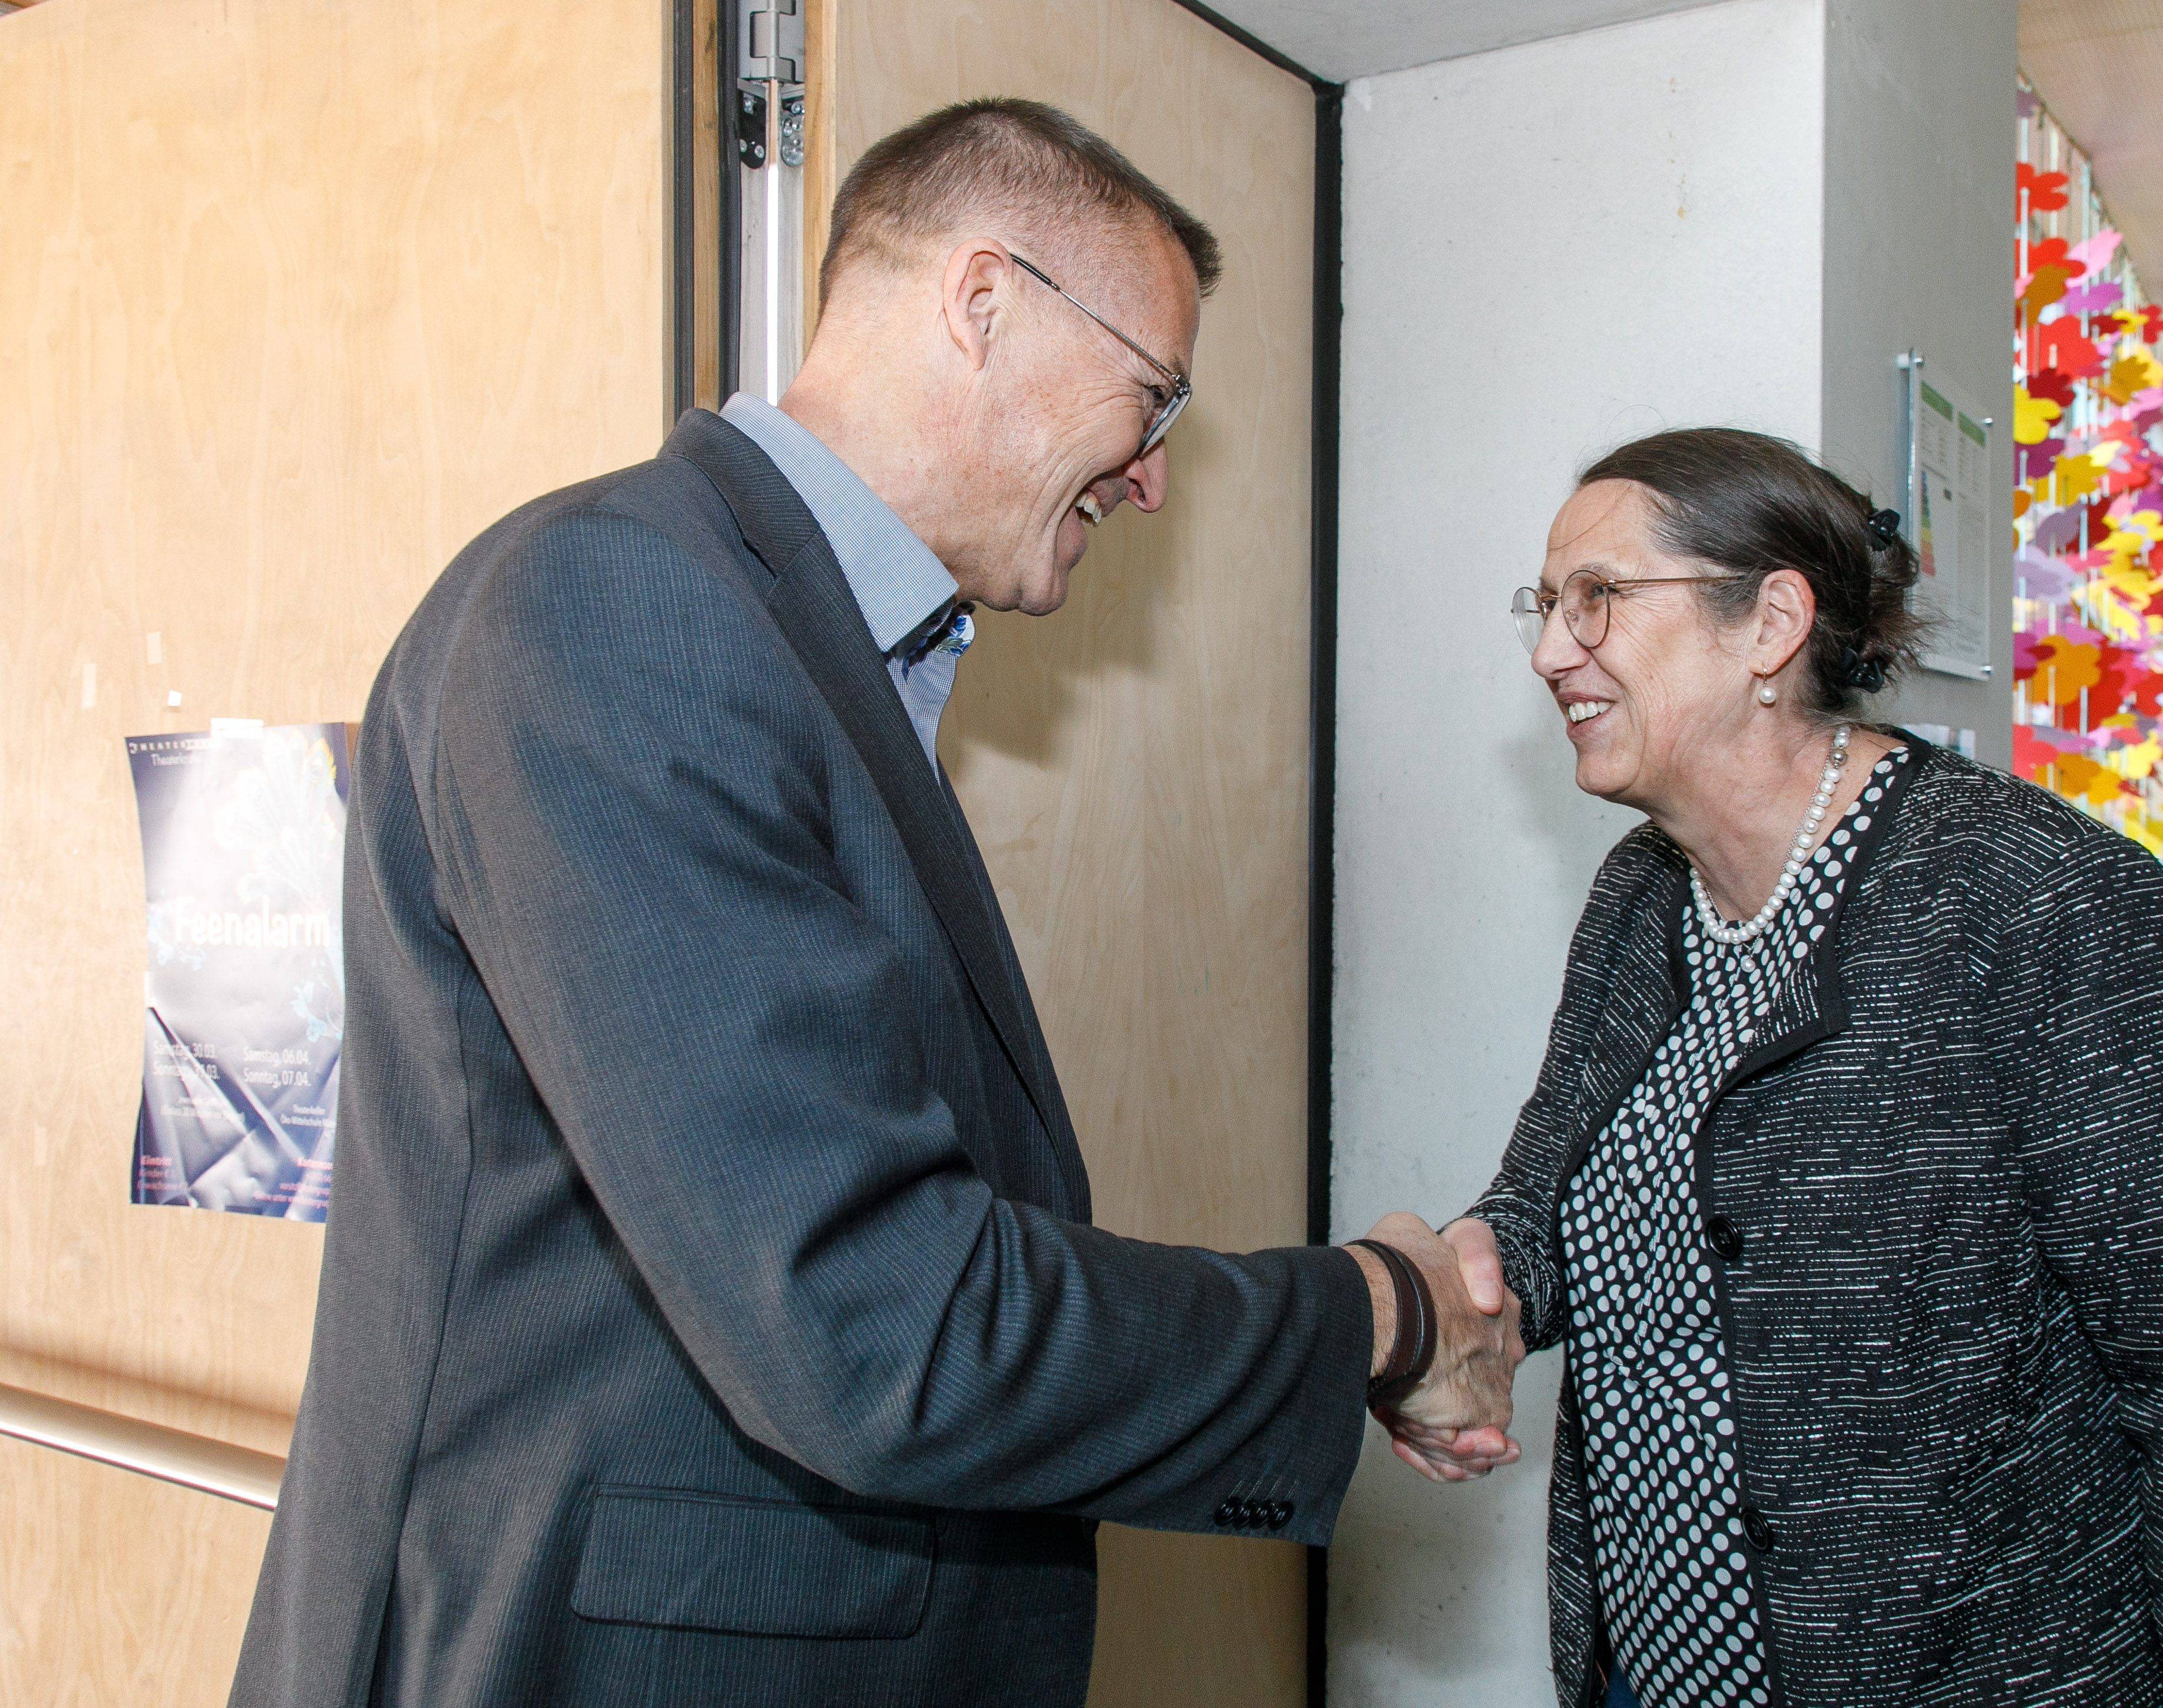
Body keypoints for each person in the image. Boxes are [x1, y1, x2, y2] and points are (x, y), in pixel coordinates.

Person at [229, 99, 1522, 1708]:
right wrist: (1379, 1313)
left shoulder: (797, 644)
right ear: (982, 304)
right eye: (1154, 397)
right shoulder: (622, 604)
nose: (1152, 479)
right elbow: (879, 1326)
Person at [1372, 429, 2163, 1707]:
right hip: (1653, 1661)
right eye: (1546, 604)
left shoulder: (2048, 905)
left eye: (1598, 596)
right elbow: (1555, 1204)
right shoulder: (1640, 896)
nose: (1552, 649)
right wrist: (1449, 1292)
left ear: (1771, 623)